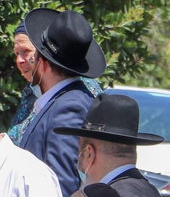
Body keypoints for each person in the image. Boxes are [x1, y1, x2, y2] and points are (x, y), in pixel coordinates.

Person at [11, 8, 104, 197]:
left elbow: (61, 189)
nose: (23, 60)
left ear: (40, 59)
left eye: (29, 53)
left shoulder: (70, 106)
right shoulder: (57, 101)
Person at [6, 8, 102, 143]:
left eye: (26, 51)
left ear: (42, 54)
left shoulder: (77, 96)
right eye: (17, 53)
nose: (19, 61)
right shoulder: (31, 91)